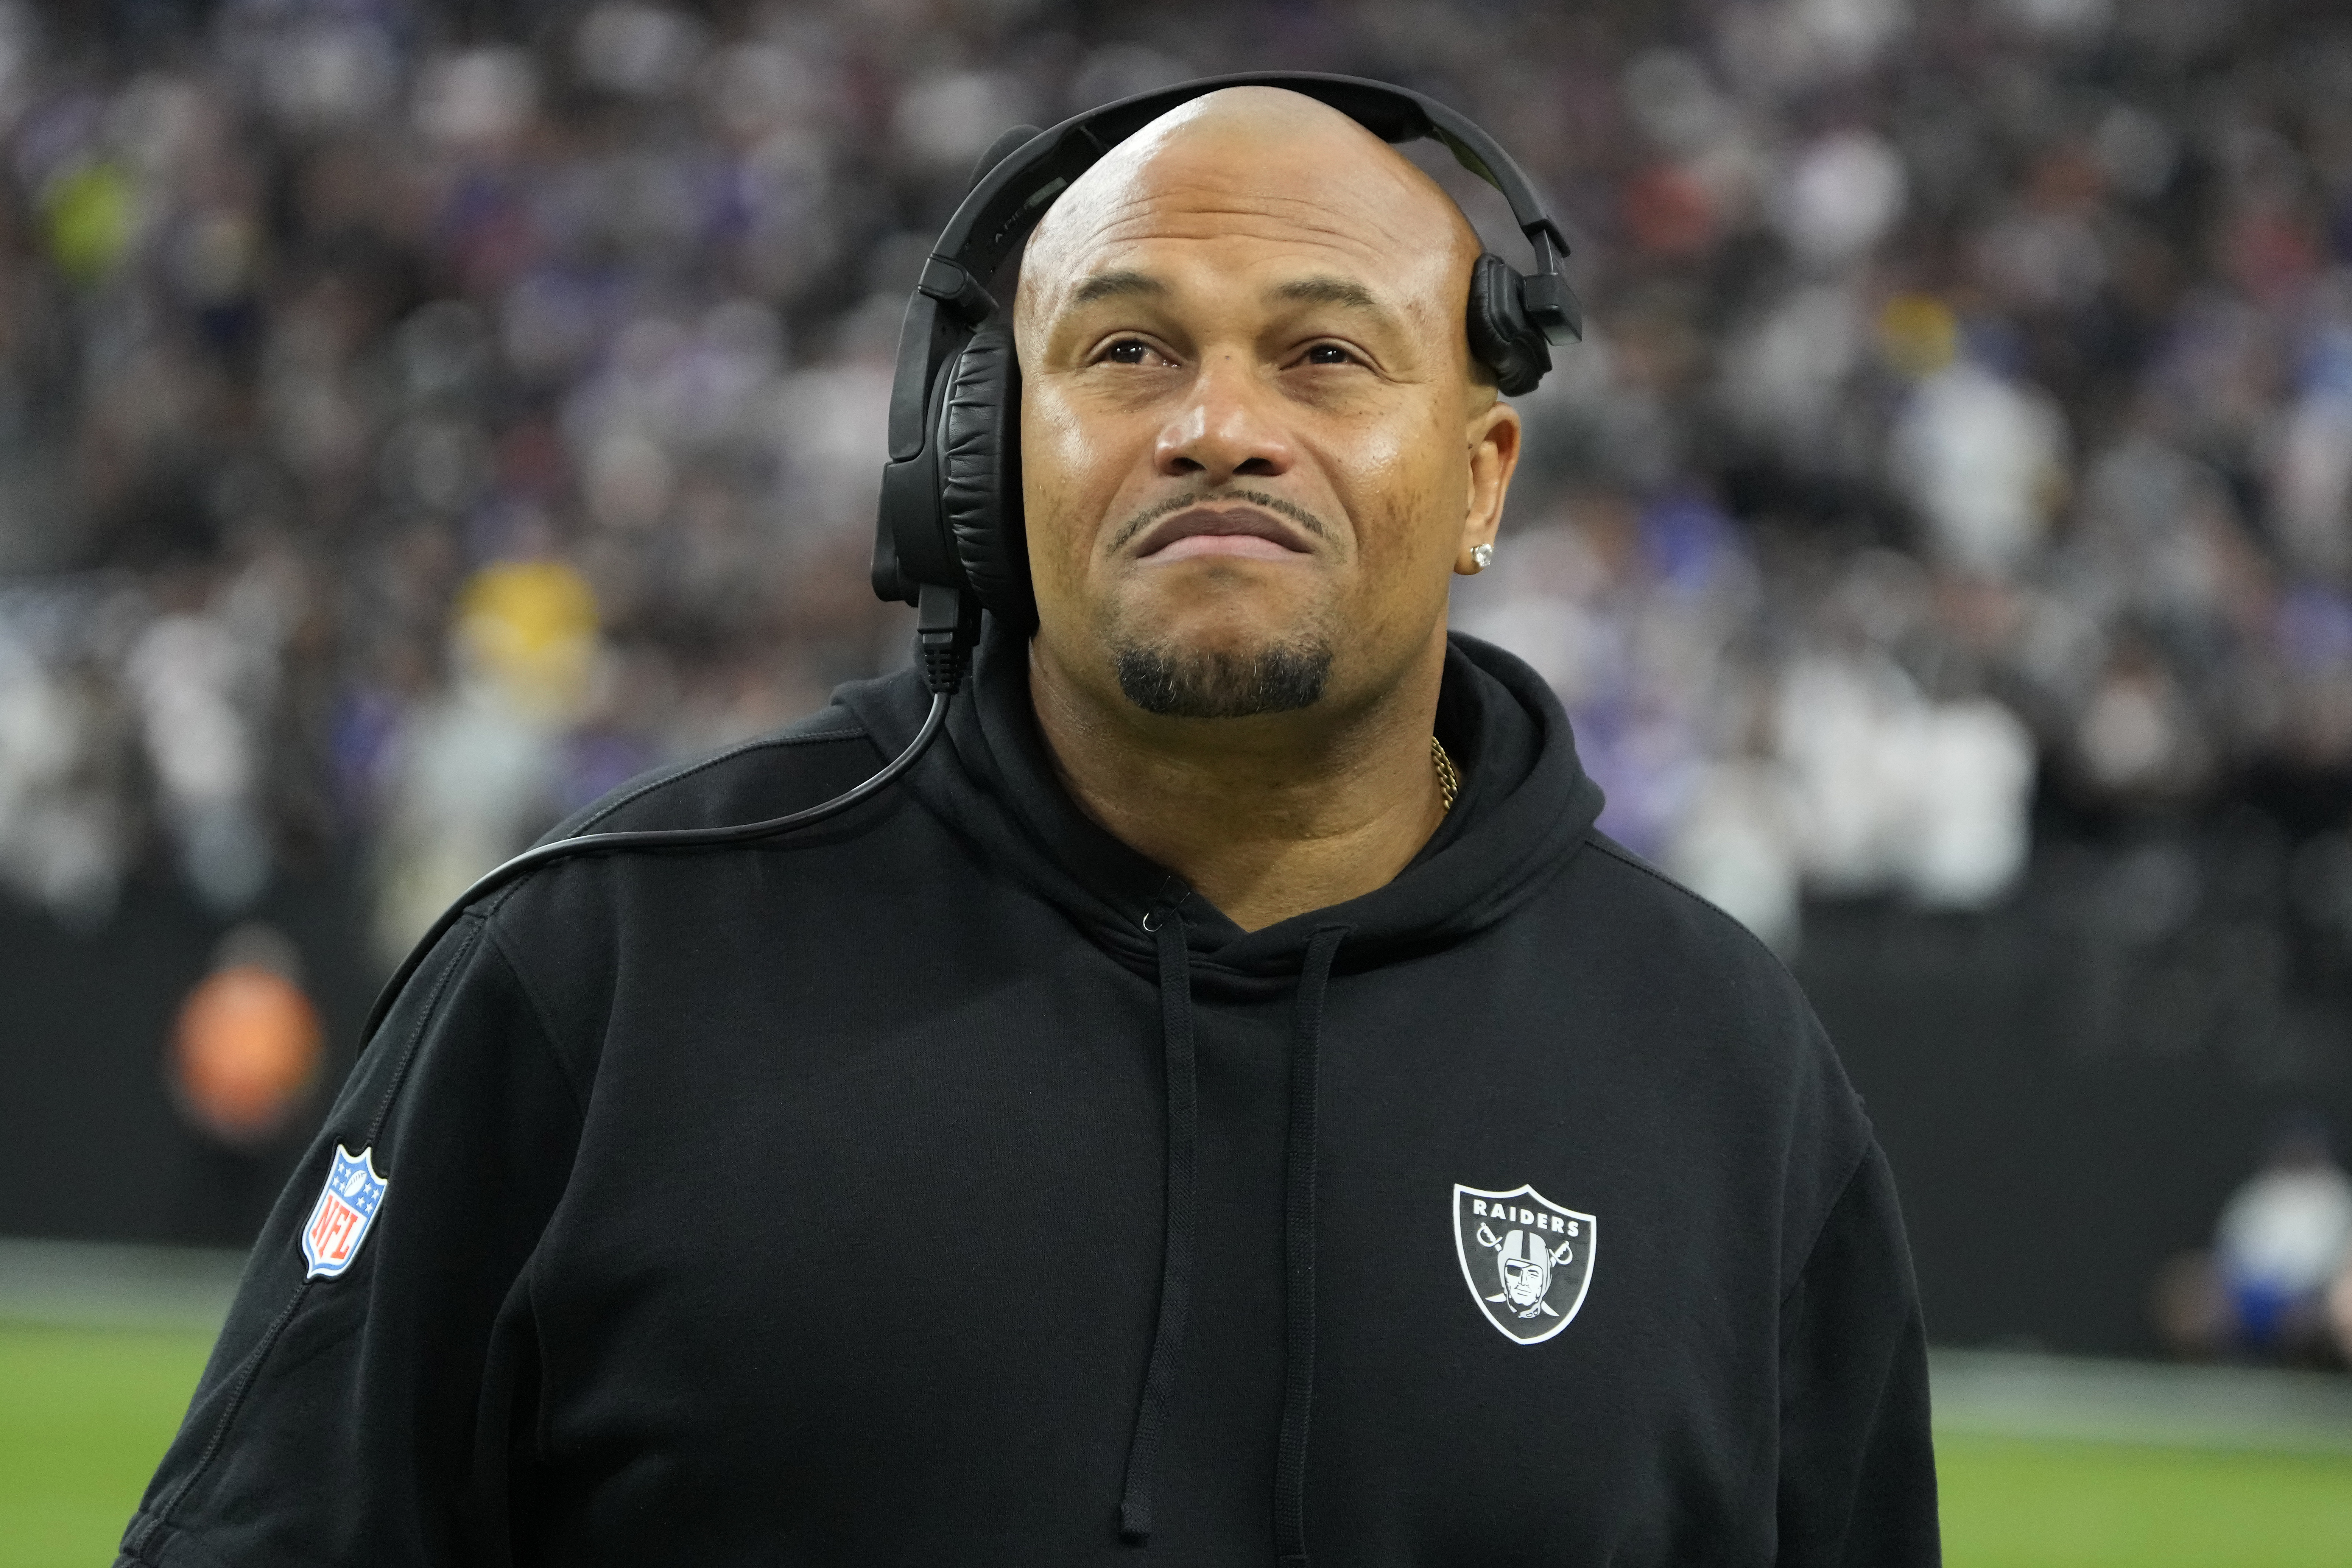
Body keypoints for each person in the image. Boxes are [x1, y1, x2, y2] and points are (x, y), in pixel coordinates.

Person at [120, 84, 1938, 1566]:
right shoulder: (598, 972)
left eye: (1325, 359)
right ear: (979, 455)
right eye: (1132, 348)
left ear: (1480, 477)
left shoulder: (1726, 1075)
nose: (1221, 427)